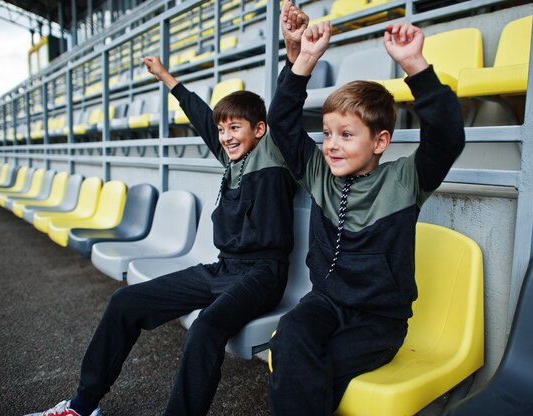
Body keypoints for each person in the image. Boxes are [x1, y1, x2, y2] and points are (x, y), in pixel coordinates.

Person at [27, 56, 297, 416]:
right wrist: (166, 77)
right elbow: (200, 115)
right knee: (124, 304)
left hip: (262, 275)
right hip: (223, 269)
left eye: (235, 128)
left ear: (259, 130)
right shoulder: (232, 159)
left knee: (204, 330)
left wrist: (294, 59)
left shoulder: (272, 154)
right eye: (222, 130)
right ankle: (82, 405)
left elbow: (285, 105)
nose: (226, 136)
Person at [266, 2, 465, 415]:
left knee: (314, 370)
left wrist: (416, 67)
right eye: (326, 134)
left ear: (380, 141)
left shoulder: (405, 180)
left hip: (378, 324)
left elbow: (447, 138)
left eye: (346, 134)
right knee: (289, 336)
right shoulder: (319, 173)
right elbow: (282, 124)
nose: (332, 144)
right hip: (323, 304)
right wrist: (304, 58)